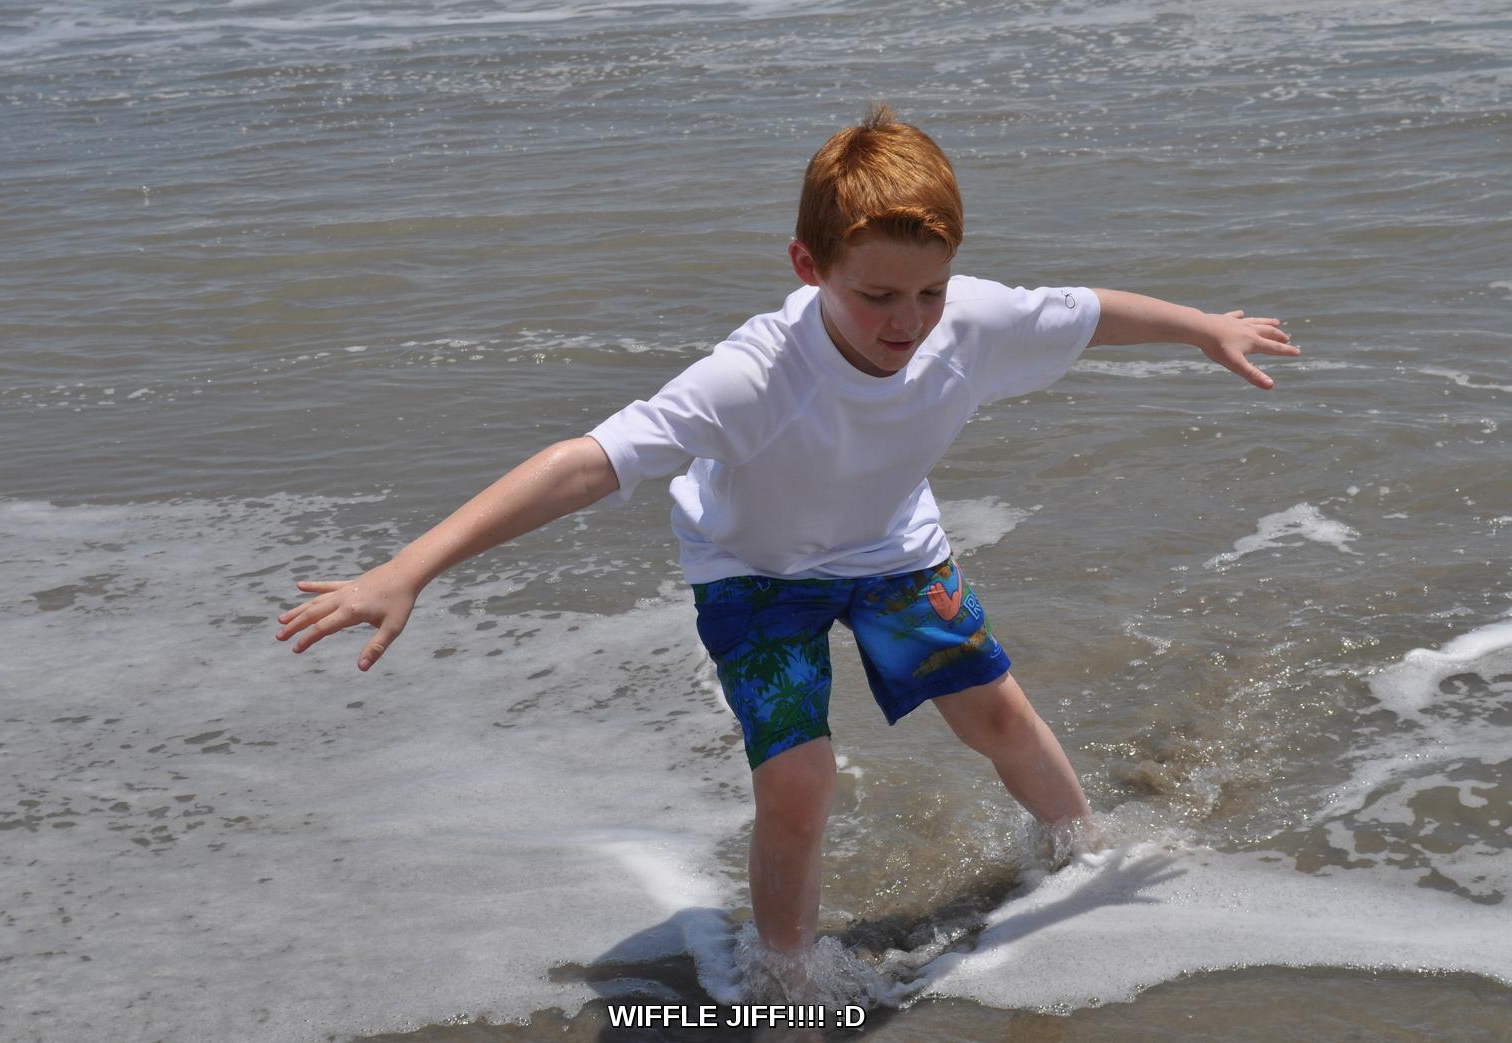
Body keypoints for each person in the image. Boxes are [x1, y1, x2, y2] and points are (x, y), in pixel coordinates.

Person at [275, 104, 1299, 964]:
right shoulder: (754, 377)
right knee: (799, 777)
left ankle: (1084, 854)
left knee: (993, 712)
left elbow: (1083, 313)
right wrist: (410, 567)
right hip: (753, 572)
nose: (908, 321)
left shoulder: (968, 323)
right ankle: (787, 977)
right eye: (878, 295)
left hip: (891, 547)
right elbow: (587, 460)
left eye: (929, 290)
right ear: (811, 266)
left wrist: (1201, 326)